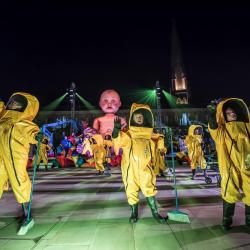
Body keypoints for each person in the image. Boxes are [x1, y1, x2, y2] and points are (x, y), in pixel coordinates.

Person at [112, 103, 167, 224]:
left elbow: (160, 140)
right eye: (136, 116)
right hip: (130, 169)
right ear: (132, 117)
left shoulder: (150, 135)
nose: (139, 118)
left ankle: (155, 214)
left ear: (145, 118)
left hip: (145, 168)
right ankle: (134, 213)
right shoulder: (128, 135)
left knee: (149, 189)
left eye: (141, 117)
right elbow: (118, 139)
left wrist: (162, 149)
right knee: (131, 190)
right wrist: (116, 130)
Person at [0, 92, 43, 230]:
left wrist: (40, 138)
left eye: (18, 103)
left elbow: (33, 133)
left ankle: (27, 215)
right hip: (1, 157)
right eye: (12, 102)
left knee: (20, 182)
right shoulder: (1, 118)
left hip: (15, 157)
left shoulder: (23, 124)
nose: (13, 104)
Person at [207, 98, 250, 230]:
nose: (232, 115)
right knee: (229, 193)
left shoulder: (248, 129)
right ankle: (227, 220)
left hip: (247, 167)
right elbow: (213, 128)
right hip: (229, 168)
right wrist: (212, 114)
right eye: (228, 113)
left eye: (233, 112)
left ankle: (249, 220)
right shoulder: (222, 131)